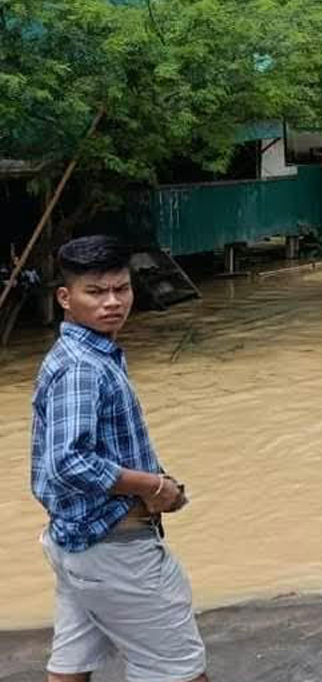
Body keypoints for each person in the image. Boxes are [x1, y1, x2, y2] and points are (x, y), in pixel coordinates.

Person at [31, 235, 208, 682]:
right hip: (112, 548)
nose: (113, 302)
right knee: (179, 673)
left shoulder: (89, 351)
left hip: (76, 541)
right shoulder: (83, 367)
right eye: (96, 292)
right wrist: (154, 486)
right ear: (65, 298)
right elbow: (67, 462)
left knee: (71, 667)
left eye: (121, 289)